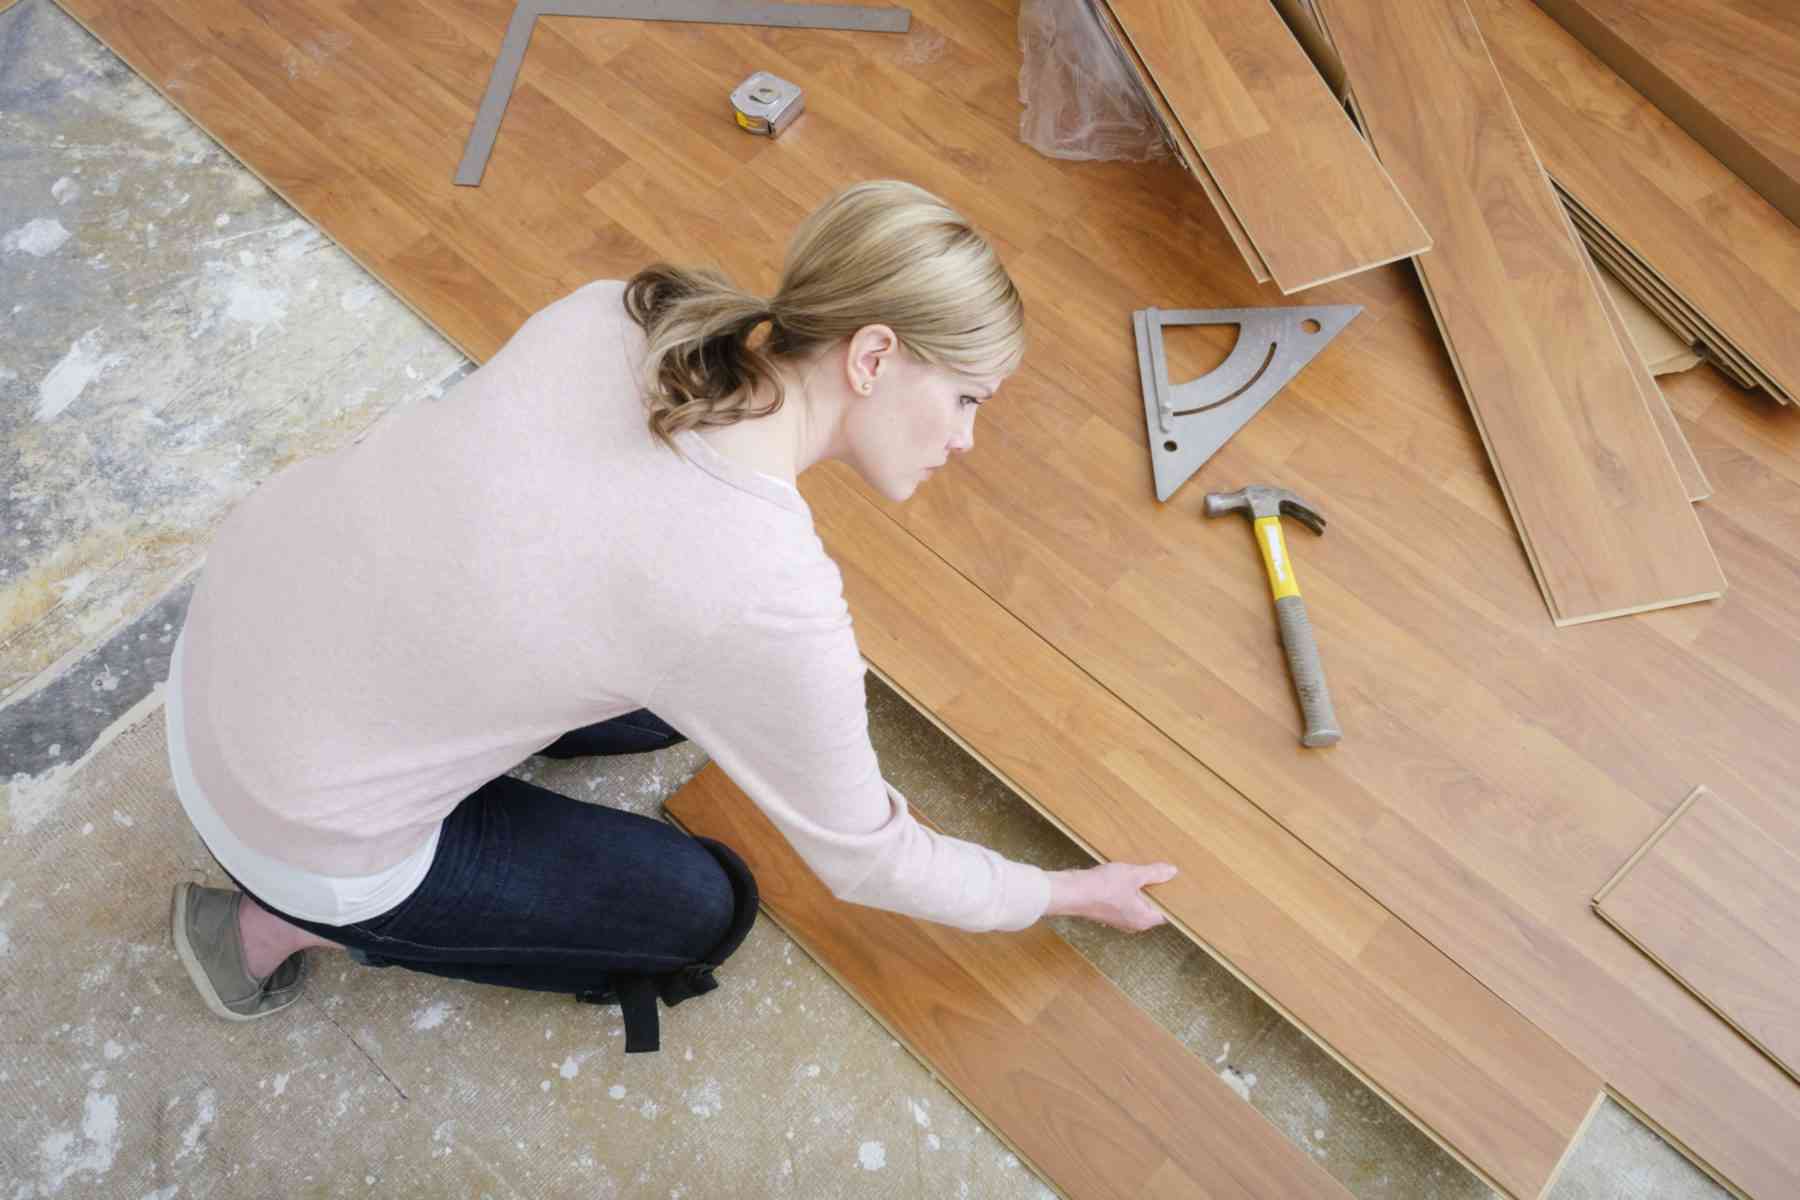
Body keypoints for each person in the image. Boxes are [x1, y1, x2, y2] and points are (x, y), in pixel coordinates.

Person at [167, 180, 1178, 1038]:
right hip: (291, 816)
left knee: (672, 694)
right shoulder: (761, 592)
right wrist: (1062, 892)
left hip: (230, 635)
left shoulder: (620, 312)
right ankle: (266, 930)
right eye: (968, 400)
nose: (964, 440)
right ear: (871, 359)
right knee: (705, 911)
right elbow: (869, 863)